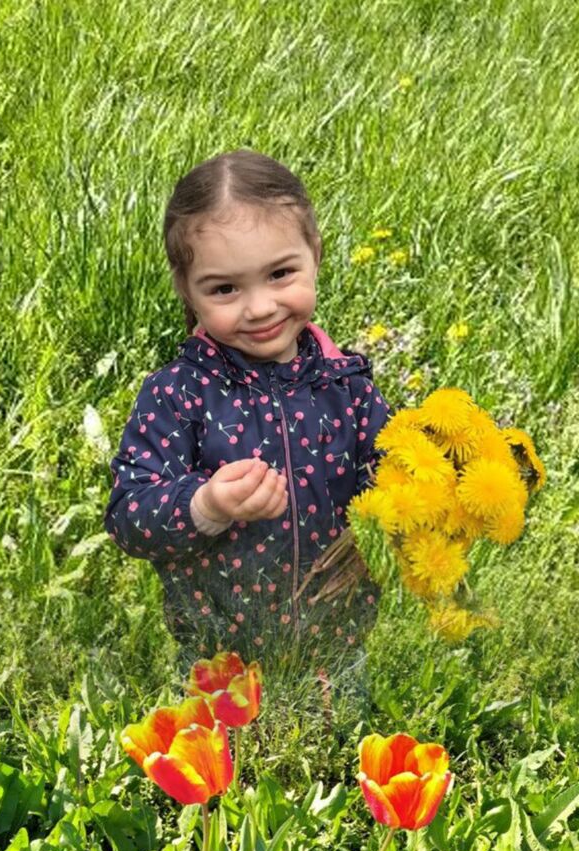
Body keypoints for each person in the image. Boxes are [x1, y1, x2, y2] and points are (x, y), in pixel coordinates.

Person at [104, 149, 392, 708]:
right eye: (224, 289)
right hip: (218, 662)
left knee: (338, 751)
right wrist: (205, 505)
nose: (259, 308)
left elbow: (390, 480)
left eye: (280, 274)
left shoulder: (347, 385)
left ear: (315, 254)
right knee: (219, 761)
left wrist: (438, 484)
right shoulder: (178, 394)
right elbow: (127, 517)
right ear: (186, 289)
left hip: (336, 651)